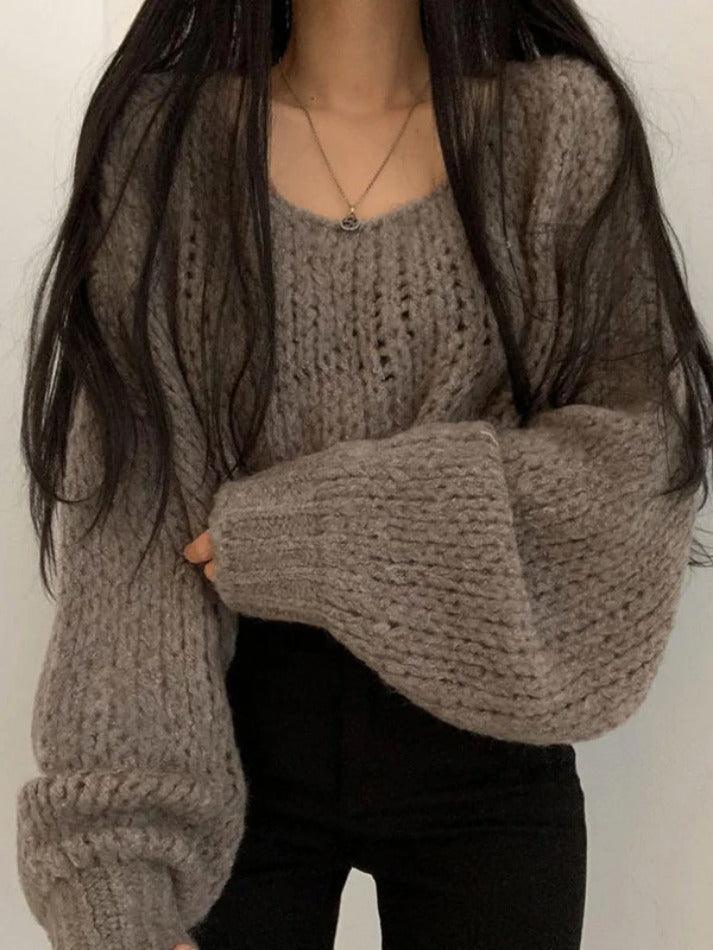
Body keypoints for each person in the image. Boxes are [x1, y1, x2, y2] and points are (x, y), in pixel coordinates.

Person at [16, 1, 713, 949]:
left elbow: (632, 476)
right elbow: (131, 521)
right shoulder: (166, 147)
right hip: (229, 754)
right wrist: (121, 883)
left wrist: (322, 531)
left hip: (490, 764)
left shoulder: (558, 131)